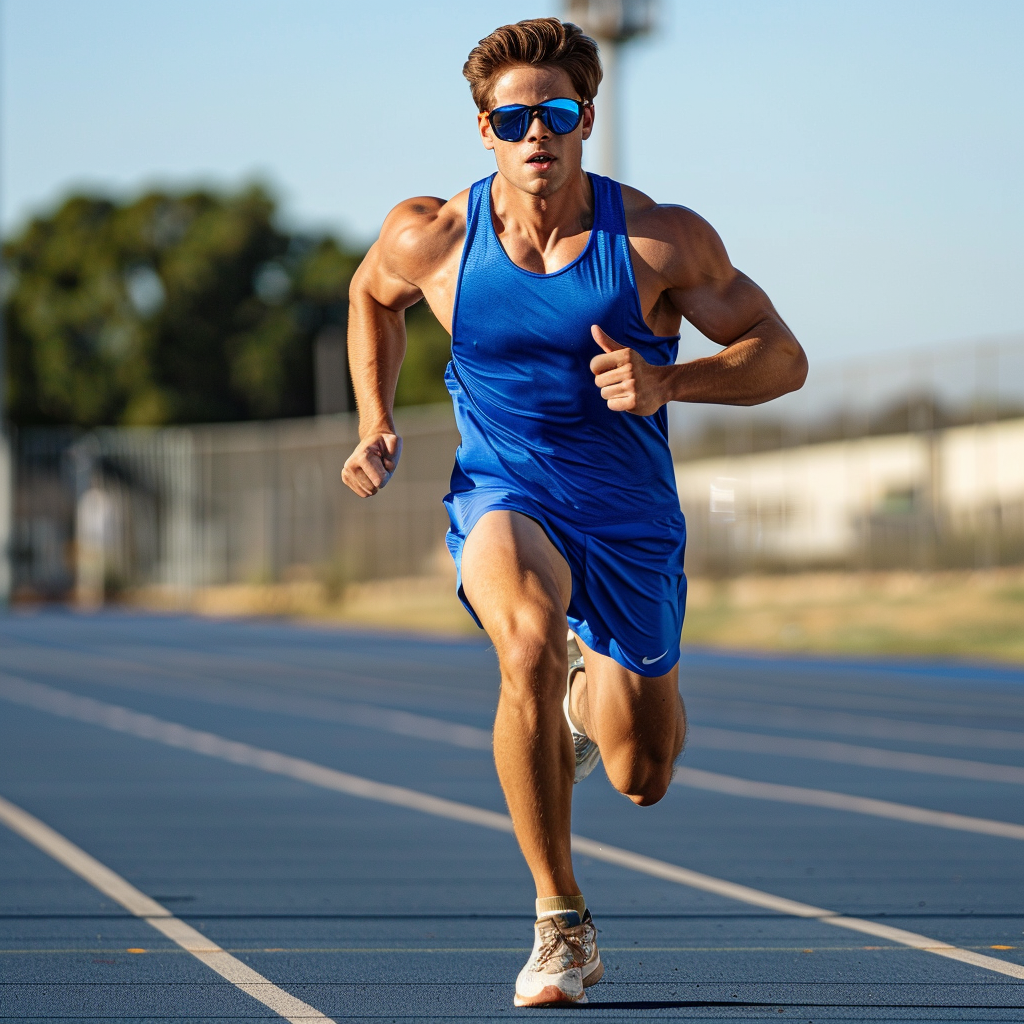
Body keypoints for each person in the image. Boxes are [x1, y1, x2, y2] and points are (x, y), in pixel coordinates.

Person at [342, 17, 807, 1007]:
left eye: (554, 113)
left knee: (642, 771)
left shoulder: (655, 239)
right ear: (484, 131)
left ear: (586, 117)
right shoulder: (433, 234)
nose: (534, 135)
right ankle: (561, 922)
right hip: (503, 493)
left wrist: (667, 379)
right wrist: (375, 419)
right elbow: (370, 296)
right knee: (524, 643)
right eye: (512, 119)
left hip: (629, 516)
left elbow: (780, 356)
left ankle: (586, 707)